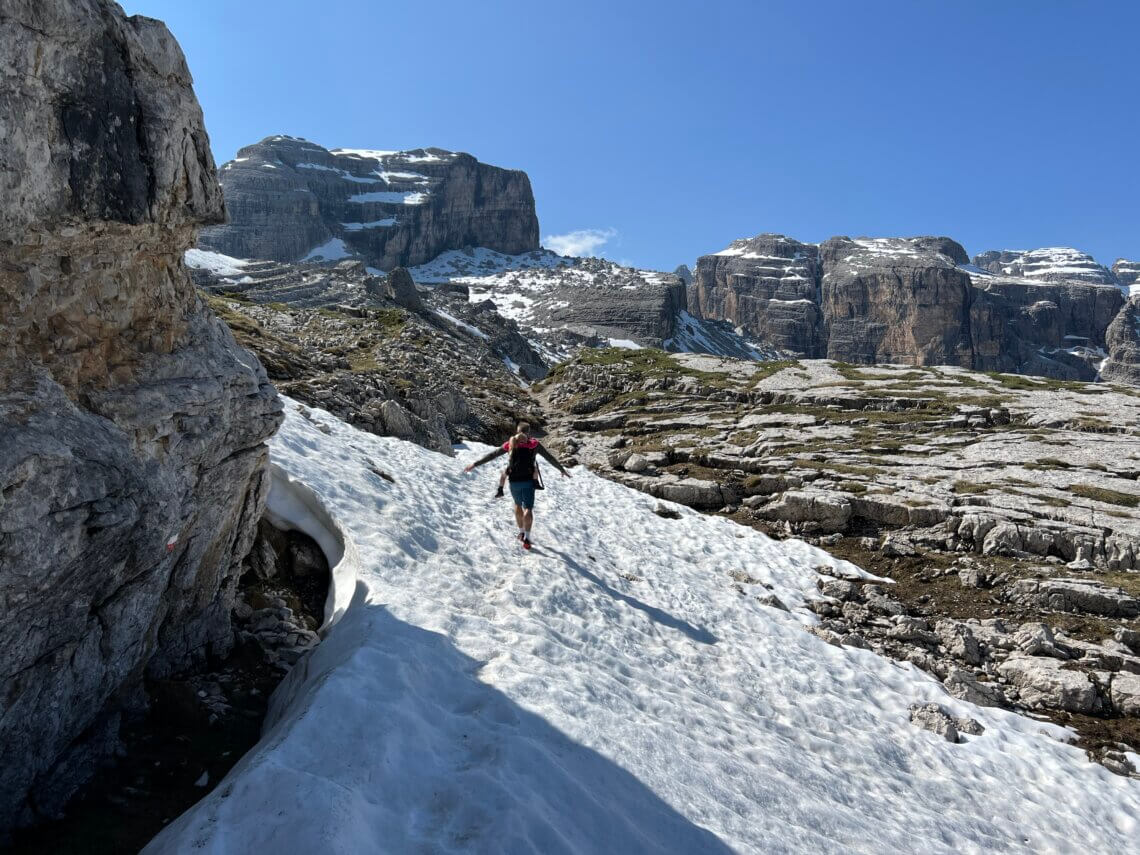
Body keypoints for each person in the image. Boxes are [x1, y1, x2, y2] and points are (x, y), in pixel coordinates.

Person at [464, 422, 570, 548]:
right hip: (529, 480)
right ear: (528, 432)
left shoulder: (511, 443)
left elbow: (492, 455)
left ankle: (521, 532)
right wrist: (561, 469)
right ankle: (527, 537)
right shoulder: (534, 444)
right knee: (528, 508)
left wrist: (475, 464)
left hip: (514, 480)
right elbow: (549, 457)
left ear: (517, 431)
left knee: (518, 505)